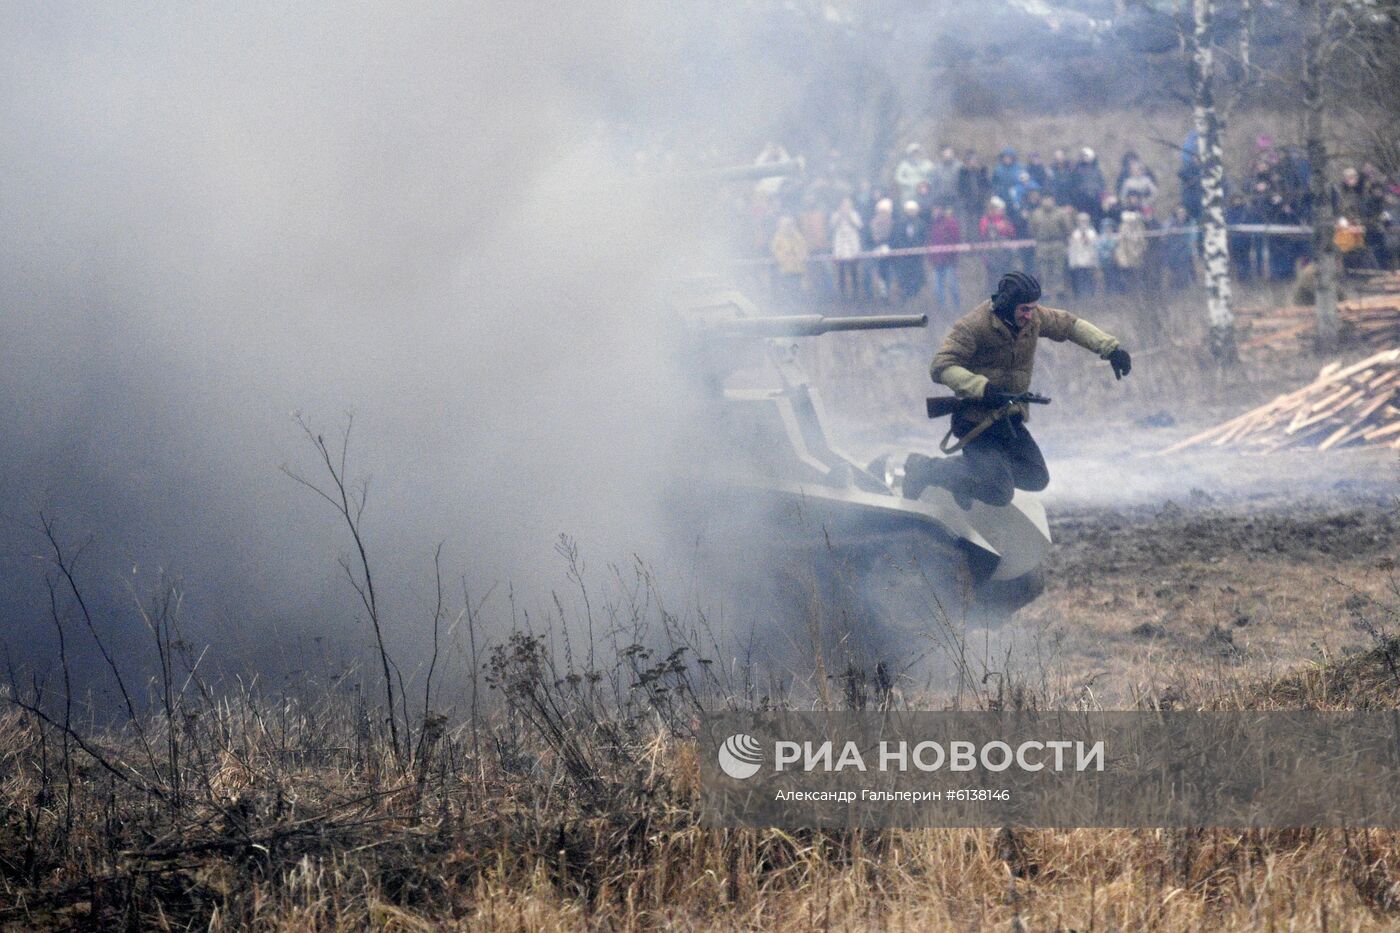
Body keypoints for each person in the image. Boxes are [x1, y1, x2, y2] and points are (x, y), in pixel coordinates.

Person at [903, 272, 1131, 507]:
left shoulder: (1033, 318)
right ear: (1006, 305)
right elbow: (941, 366)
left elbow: (1070, 326)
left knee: (1036, 477)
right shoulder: (973, 326)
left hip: (1008, 419)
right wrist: (982, 387)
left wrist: (1111, 349)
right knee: (999, 492)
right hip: (975, 421)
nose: (1029, 315)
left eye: (1032, 308)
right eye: (1023, 309)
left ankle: (969, 477)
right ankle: (924, 468)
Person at [1028, 193, 1074, 301]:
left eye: (1049, 199)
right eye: (1045, 199)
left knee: (1058, 269)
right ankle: (1045, 292)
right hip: (1042, 244)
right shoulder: (1036, 214)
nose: (1047, 202)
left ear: (1053, 200)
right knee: (1044, 270)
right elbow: (1031, 229)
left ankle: (1060, 291)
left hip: (1057, 243)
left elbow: (1068, 228)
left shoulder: (1061, 213)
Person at [890, 199, 929, 302]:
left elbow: (923, 238)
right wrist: (904, 248)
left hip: (916, 256)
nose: (911, 212)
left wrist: (918, 248)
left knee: (916, 276)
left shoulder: (921, 223)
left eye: (913, 210)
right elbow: (898, 237)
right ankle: (905, 294)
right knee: (904, 276)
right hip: (904, 256)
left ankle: (914, 293)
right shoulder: (901, 223)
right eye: (909, 210)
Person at [927, 200, 963, 312]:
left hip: (949, 261)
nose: (935, 212)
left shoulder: (950, 222)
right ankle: (942, 310)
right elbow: (929, 242)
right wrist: (931, 257)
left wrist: (953, 255)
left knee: (953, 286)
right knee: (938, 289)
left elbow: (956, 239)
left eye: (937, 209)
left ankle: (958, 307)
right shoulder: (932, 225)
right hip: (936, 261)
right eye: (934, 210)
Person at [979, 196, 1019, 293]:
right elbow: (983, 234)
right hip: (991, 255)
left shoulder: (1006, 220)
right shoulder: (985, 220)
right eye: (1000, 209)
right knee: (992, 278)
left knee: (1006, 275)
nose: (1002, 211)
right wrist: (996, 228)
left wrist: (1004, 229)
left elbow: (1012, 233)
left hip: (1005, 255)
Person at [829, 196, 864, 300]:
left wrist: (849, 217)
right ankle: (842, 294)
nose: (846, 206)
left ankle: (856, 293)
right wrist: (839, 217)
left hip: (852, 246)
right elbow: (831, 227)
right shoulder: (836, 214)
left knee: (854, 271)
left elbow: (859, 226)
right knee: (841, 272)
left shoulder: (854, 214)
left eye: (848, 204)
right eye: (844, 204)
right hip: (840, 247)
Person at [1067, 212, 1099, 296]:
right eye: (1081, 221)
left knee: (1090, 278)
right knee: (1079, 278)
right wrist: (1072, 261)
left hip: (1089, 260)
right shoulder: (1075, 234)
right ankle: (1080, 294)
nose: (1083, 223)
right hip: (1078, 261)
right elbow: (1072, 249)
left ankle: (1091, 294)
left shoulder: (1092, 233)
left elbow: (1095, 247)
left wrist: (1095, 261)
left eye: (1085, 221)